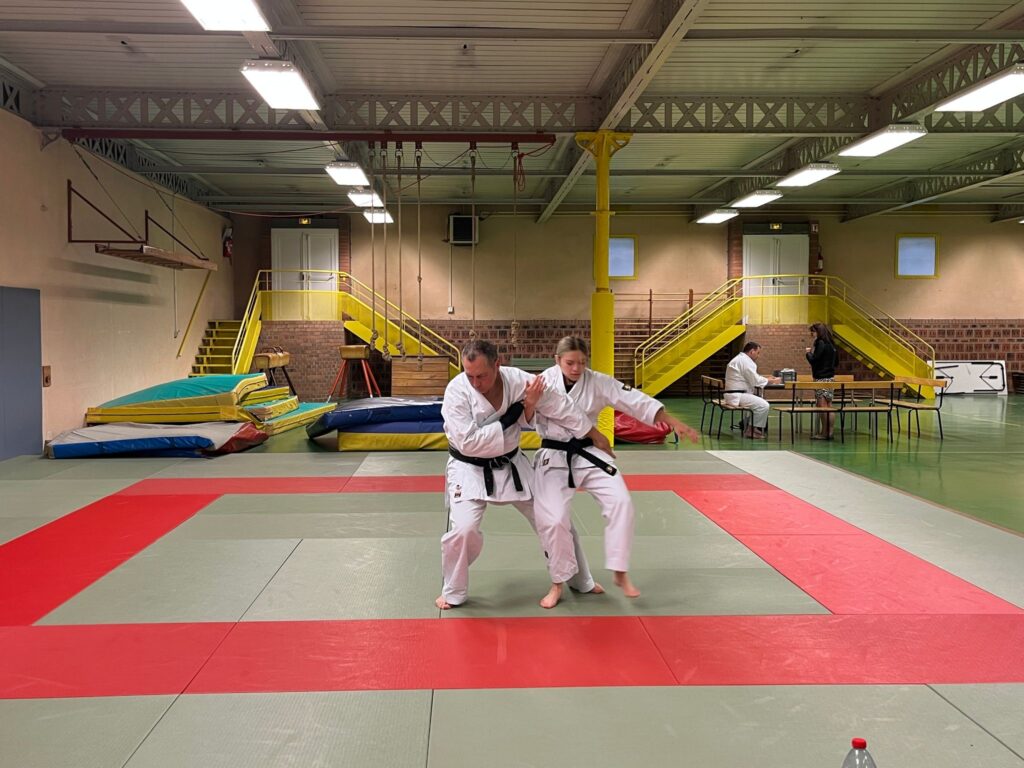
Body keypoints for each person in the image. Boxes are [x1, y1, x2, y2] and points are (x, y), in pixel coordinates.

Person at [437, 339, 611, 610]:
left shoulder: (518, 381)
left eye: (481, 375)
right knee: (463, 530)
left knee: (555, 518)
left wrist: (593, 433)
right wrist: (517, 412)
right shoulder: (456, 391)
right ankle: (453, 591)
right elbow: (469, 443)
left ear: (497, 364)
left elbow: (560, 405)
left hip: (512, 465)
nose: (475, 383)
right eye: (469, 375)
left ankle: (580, 579)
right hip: (468, 469)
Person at [529, 336, 700, 609]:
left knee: (621, 502)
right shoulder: (542, 382)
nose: (576, 368)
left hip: (590, 451)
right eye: (570, 363)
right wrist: (529, 404)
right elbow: (523, 413)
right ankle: (557, 582)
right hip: (554, 454)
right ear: (557, 360)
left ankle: (620, 570)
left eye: (582, 362)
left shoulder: (597, 381)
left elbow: (633, 400)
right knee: (555, 520)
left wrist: (672, 422)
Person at [724, 341, 781, 439]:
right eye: (758, 353)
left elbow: (752, 377)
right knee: (763, 405)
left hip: (733, 394)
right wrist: (772, 381)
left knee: (758, 401)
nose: (758, 356)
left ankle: (752, 428)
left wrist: (766, 379)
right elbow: (755, 381)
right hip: (737, 395)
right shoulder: (745, 361)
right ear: (752, 351)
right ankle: (750, 430)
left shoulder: (740, 359)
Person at [805, 322, 839, 440]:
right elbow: (836, 362)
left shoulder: (820, 343)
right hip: (831, 378)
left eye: (813, 332)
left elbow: (814, 360)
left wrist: (808, 353)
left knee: (822, 406)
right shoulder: (832, 344)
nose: (811, 334)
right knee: (829, 405)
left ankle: (824, 433)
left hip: (821, 378)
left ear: (818, 332)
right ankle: (830, 432)